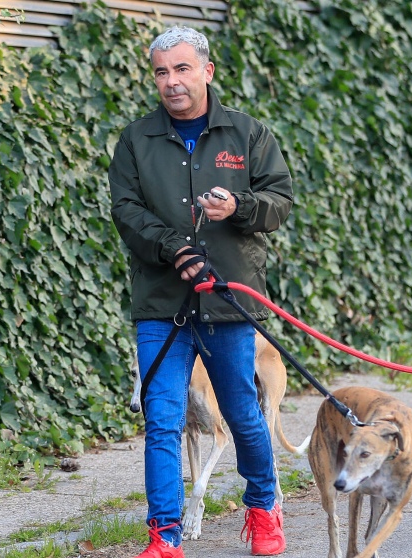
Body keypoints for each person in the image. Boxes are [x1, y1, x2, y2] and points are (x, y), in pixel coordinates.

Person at [108, 25, 294, 558]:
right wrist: (174, 249)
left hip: (229, 303)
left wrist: (240, 207)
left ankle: (264, 510)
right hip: (163, 306)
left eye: (182, 69)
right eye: (162, 72)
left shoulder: (247, 134)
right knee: (161, 419)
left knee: (241, 414)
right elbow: (126, 211)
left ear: (206, 71)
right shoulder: (136, 140)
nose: (172, 82)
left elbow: (278, 200)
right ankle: (163, 537)